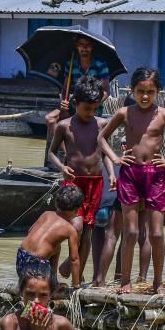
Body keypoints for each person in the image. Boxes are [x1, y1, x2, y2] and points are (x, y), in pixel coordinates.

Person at [101, 68, 165, 293]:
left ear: (157, 92)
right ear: (132, 90)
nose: (144, 96)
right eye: (140, 91)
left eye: (150, 92)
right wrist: (115, 158)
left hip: (156, 175)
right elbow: (101, 138)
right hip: (130, 173)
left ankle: (157, 281)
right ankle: (125, 281)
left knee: (156, 233)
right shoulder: (124, 112)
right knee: (130, 232)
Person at [47, 82, 117, 283]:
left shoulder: (102, 124)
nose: (91, 113)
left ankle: (77, 279)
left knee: (87, 232)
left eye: (94, 109)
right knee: (73, 227)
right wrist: (62, 167)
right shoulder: (64, 125)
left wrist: (111, 173)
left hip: (95, 182)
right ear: (75, 104)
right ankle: (58, 268)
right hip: (73, 183)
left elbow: (104, 154)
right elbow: (52, 152)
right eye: (87, 108)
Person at [16, 183, 85, 287]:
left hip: (21, 258)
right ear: (77, 210)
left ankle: (52, 281)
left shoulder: (46, 214)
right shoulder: (70, 230)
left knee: (56, 247)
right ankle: (51, 285)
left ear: (56, 204)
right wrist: (76, 285)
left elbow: (30, 230)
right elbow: (74, 259)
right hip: (38, 265)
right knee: (55, 247)